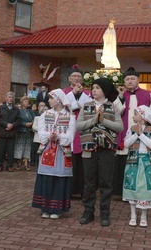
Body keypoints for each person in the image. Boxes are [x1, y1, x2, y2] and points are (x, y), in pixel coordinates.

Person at [76, 78, 123, 227]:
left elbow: (119, 127)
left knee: (106, 183)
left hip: (107, 150)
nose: (93, 90)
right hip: (89, 148)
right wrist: (94, 120)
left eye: (97, 87)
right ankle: (88, 211)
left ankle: (104, 212)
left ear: (104, 90)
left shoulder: (112, 107)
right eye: (93, 88)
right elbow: (79, 125)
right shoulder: (86, 106)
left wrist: (103, 120)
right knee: (89, 183)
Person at [113, 68, 151, 196]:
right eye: (127, 79)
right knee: (123, 161)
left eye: (133, 78)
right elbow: (116, 112)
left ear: (138, 80)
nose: (130, 81)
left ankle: (141, 189)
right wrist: (121, 97)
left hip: (143, 134)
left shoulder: (147, 94)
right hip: (125, 133)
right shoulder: (120, 95)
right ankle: (121, 191)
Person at [32, 88, 76, 219]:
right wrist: (49, 135)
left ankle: (57, 209)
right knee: (47, 177)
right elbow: (41, 131)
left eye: (51, 98)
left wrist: (59, 137)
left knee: (59, 178)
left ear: (59, 100)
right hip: (48, 150)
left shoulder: (70, 116)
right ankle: (45, 207)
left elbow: (71, 135)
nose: (49, 100)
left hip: (62, 152)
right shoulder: (45, 114)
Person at [123, 105, 151, 227]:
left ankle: (144, 216)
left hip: (146, 162)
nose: (133, 116)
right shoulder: (132, 129)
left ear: (142, 116)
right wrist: (136, 134)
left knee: (144, 189)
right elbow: (126, 144)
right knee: (132, 186)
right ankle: (133, 215)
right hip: (133, 162)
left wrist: (141, 135)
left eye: (135, 114)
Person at [63, 64, 92, 197]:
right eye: (74, 76)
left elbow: (89, 108)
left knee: (82, 162)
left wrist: (80, 97)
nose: (77, 79)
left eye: (79, 76)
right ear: (69, 78)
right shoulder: (63, 92)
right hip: (69, 127)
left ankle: (82, 191)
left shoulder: (88, 93)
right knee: (69, 160)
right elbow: (64, 107)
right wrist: (74, 93)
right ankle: (68, 190)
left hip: (83, 129)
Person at [0, 91, 21, 172]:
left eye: (12, 97)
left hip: (12, 132)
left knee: (10, 150)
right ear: (5, 98)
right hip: (3, 131)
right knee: (1, 150)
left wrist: (12, 125)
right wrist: (6, 124)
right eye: (9, 97)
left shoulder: (16, 109)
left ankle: (9, 165)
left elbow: (19, 120)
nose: (11, 99)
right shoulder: (0, 108)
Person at [14, 96, 35, 170]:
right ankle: (19, 163)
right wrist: (25, 124)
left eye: (27, 101)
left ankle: (26, 164)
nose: (27, 103)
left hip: (28, 132)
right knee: (19, 147)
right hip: (21, 131)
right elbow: (17, 121)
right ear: (22, 103)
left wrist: (31, 123)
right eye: (25, 101)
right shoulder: (19, 111)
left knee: (27, 147)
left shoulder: (30, 111)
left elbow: (34, 119)